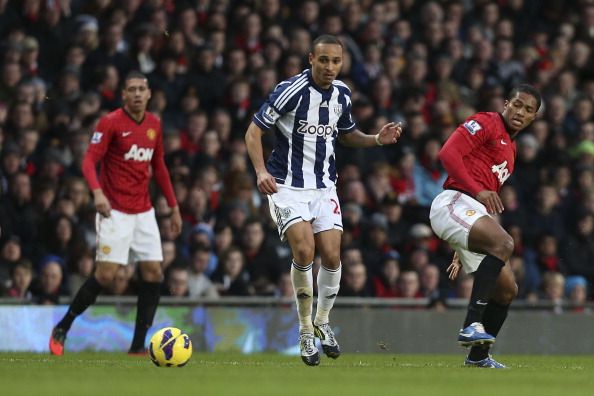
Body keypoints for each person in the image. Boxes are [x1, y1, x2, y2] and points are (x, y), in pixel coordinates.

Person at [245, 34, 402, 366]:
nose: (330, 67)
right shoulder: (290, 91)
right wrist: (260, 171)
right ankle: (304, 331)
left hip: (324, 188)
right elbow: (253, 131)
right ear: (311, 59)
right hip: (286, 186)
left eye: (336, 61)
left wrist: (376, 139)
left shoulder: (343, 94)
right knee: (304, 250)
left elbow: (346, 135)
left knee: (332, 255)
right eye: (324, 60)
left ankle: (323, 321)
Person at [49, 71, 182, 355]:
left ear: (148, 94)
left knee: (154, 272)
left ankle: (136, 346)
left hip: (144, 210)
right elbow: (88, 161)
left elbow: (159, 167)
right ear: (123, 94)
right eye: (131, 89)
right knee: (106, 275)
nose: (136, 94)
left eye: (141, 89)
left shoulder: (154, 125)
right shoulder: (110, 123)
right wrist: (97, 192)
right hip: (115, 211)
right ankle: (63, 326)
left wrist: (173, 207)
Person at [429, 84, 541, 368]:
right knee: (504, 244)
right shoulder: (486, 121)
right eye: (517, 104)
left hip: (468, 214)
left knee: (507, 290)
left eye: (528, 109)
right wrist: (477, 191)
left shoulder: (511, 151)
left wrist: (462, 244)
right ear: (506, 103)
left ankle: (478, 357)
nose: (520, 112)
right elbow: (448, 154)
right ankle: (470, 324)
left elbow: (482, 205)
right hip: (452, 201)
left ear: (534, 118)